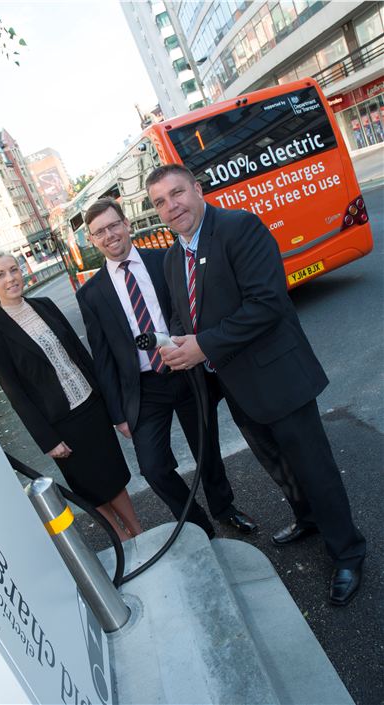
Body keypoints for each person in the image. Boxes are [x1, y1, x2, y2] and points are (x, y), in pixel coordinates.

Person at [145, 163, 366, 606]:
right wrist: (174, 343)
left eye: (177, 194)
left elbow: (267, 302)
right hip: (236, 384)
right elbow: (182, 314)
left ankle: (348, 552)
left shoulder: (239, 227)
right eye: (160, 202)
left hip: (277, 377)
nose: (171, 207)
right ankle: (307, 518)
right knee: (277, 463)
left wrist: (202, 345)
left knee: (314, 468)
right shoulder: (173, 257)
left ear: (197, 189)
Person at [76, 197, 257, 540]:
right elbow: (103, 356)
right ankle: (197, 525)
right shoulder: (91, 293)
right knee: (154, 468)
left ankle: (224, 508)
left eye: (114, 225)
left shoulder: (166, 260)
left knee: (207, 451)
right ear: (92, 239)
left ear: (127, 224)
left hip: (187, 370)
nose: (110, 234)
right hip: (143, 388)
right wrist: (118, 413)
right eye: (100, 231)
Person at [0, 249, 141, 542]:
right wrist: (47, 440)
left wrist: (111, 402)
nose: (11, 278)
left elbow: (80, 354)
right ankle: (122, 539)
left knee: (114, 476)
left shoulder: (45, 305)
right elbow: (14, 391)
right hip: (61, 424)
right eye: (0, 275)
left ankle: (138, 533)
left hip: (91, 405)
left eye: (14, 270)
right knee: (89, 487)